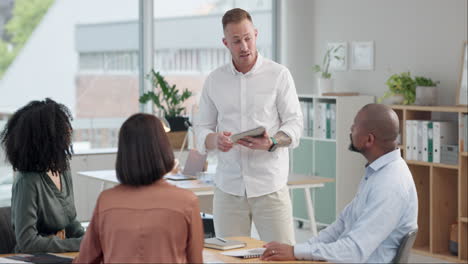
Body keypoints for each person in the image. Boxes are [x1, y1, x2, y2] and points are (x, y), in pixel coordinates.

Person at [194, 8, 303, 245]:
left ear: (255, 34)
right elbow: (201, 128)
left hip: (270, 187)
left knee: (282, 258)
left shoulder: (279, 75)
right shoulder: (215, 80)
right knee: (228, 259)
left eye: (248, 38)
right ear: (225, 43)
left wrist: (272, 141)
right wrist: (215, 140)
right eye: (236, 41)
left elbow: (295, 124)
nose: (244, 46)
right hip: (229, 188)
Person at [261, 104, 418, 263]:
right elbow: (342, 225)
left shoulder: (390, 184)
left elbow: (354, 251)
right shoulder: (377, 173)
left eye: (355, 126)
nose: (350, 129)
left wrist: (296, 252)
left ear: (369, 139)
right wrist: (298, 251)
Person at [74, 113, 203, 263]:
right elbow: (195, 260)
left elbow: (86, 260)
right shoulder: (186, 201)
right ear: (163, 149)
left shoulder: (106, 201)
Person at [0, 98, 84, 253]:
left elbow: (70, 222)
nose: (69, 130)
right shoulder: (27, 181)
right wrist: (75, 243)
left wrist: (88, 240)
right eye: (61, 126)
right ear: (46, 137)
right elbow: (28, 243)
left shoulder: (62, 169)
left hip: (59, 254)